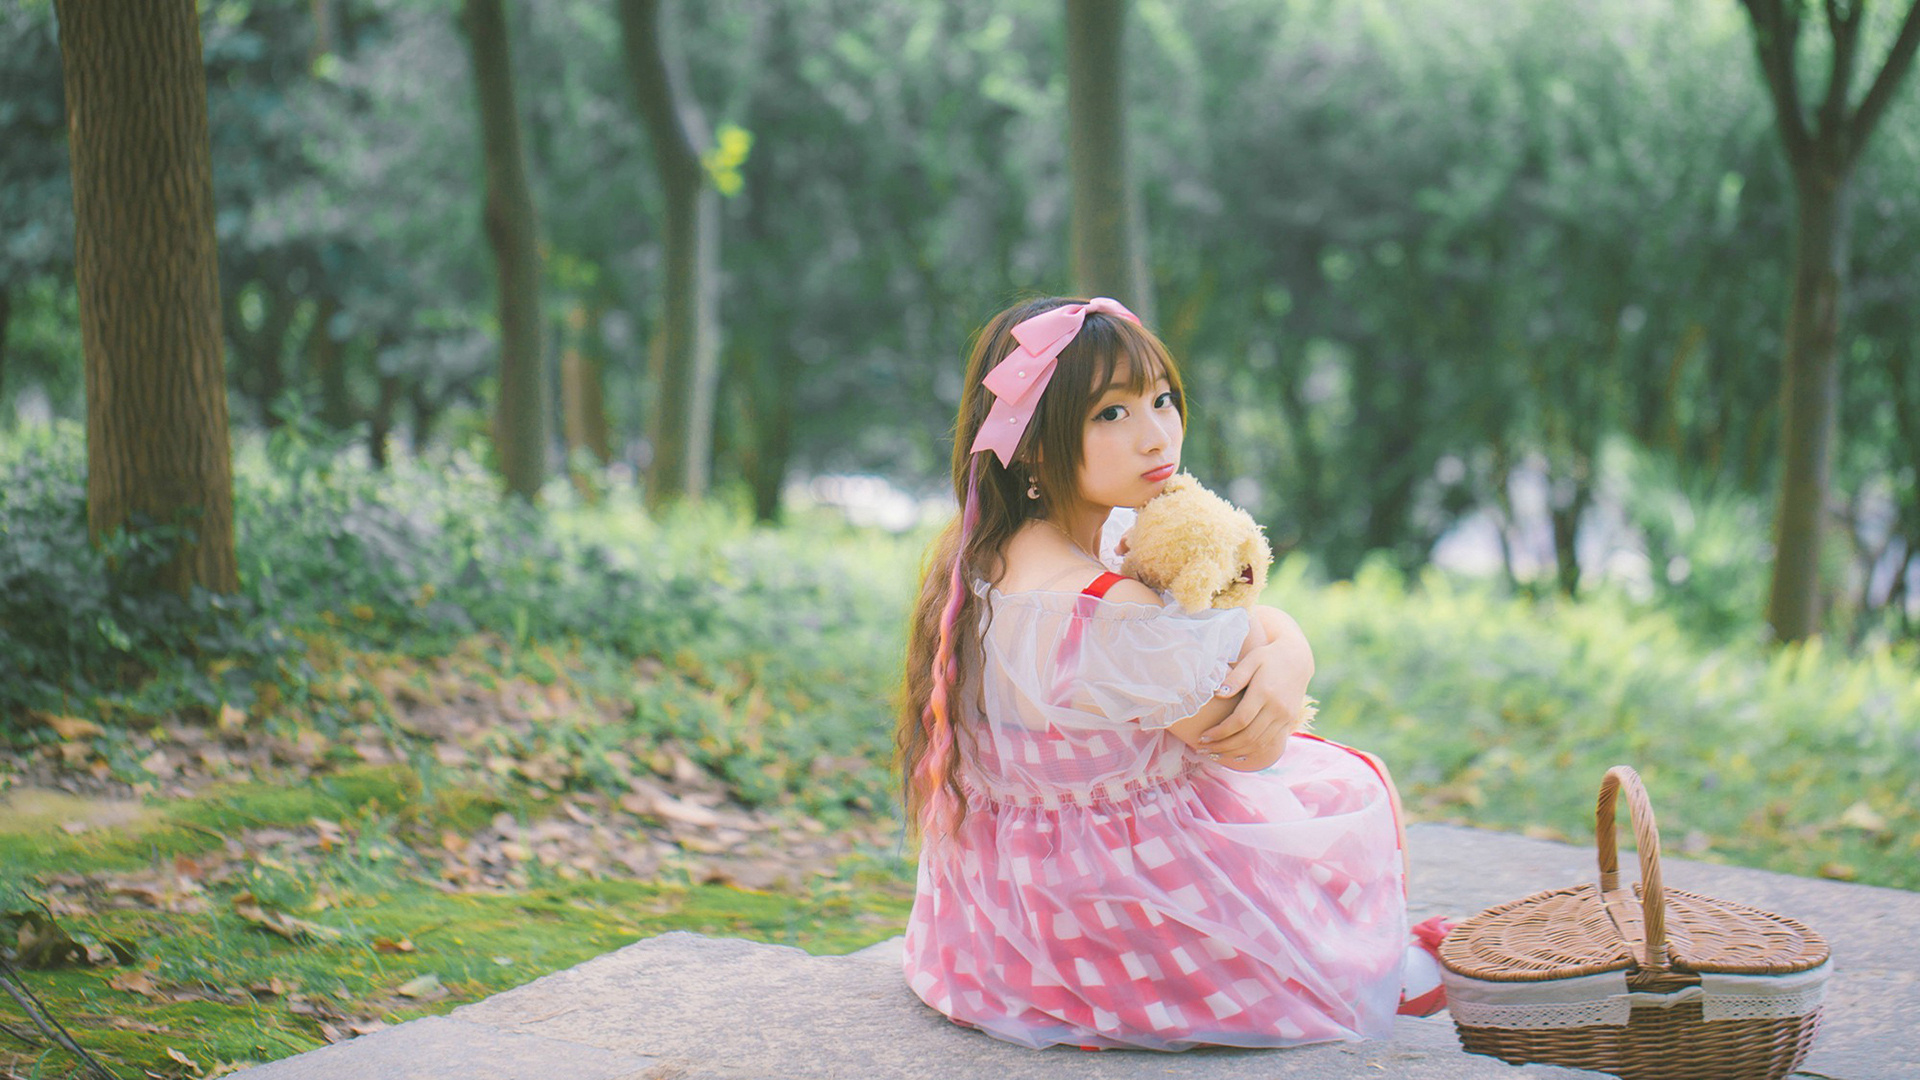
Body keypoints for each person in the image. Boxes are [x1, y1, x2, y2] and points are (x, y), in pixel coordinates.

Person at [897, 296, 1443, 1052]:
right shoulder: (1101, 605)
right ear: (1033, 445)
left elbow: (1236, 637)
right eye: (1109, 415)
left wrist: (1284, 646)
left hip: (1002, 931)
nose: (1156, 434)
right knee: (1346, 785)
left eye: (1160, 399)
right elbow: (1244, 736)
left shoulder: (985, 557)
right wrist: (1288, 648)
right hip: (1117, 916)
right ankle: (1372, 966)